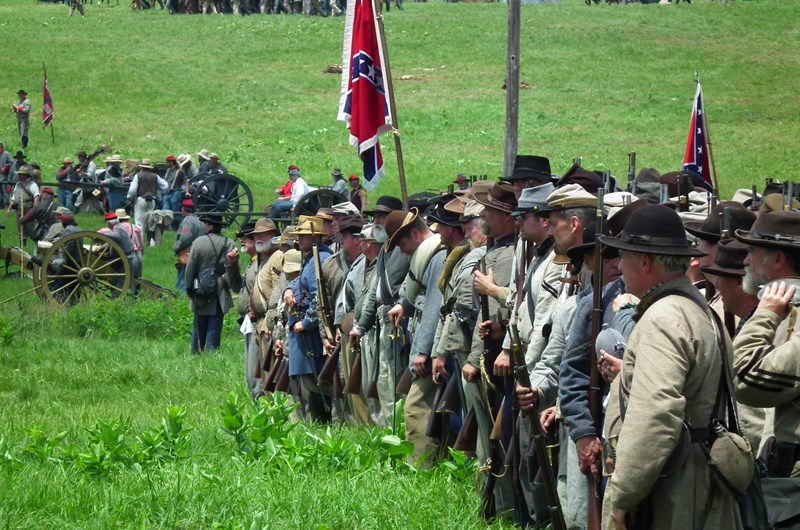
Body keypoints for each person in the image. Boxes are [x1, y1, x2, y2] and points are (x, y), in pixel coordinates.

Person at [599, 204, 742, 530]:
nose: (619, 267)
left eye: (624, 257)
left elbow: (655, 415)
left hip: (674, 495)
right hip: (696, 482)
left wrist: (622, 497)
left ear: (645, 261)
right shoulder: (701, 311)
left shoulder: (664, 318)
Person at [733, 210, 800, 488]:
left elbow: (742, 377)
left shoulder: (784, 310)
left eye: (752, 250)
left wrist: (766, 315)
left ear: (779, 258)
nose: (746, 260)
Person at [384, 208, 447, 464]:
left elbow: (434, 304)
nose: (402, 251)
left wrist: (423, 350)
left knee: (416, 410)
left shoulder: (437, 257)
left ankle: (421, 468)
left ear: (414, 233)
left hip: (428, 348)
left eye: (403, 243)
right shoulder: (428, 257)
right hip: (426, 344)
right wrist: (404, 305)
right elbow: (417, 294)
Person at [283, 217, 332, 422]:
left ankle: (317, 424)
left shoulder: (318, 258)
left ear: (315, 236)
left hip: (309, 332)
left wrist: (307, 322)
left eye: (303, 235)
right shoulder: (310, 258)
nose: (299, 239)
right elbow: (299, 284)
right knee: (303, 382)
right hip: (301, 328)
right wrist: (288, 289)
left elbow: (319, 296)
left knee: (311, 384)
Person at [185, 215, 242, 355]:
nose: (204, 226)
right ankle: (211, 356)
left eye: (205, 224)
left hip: (199, 289)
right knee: (214, 327)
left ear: (210, 225)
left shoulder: (198, 242)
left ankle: (195, 354)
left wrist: (189, 289)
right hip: (219, 290)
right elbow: (234, 270)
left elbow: (190, 268)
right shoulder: (229, 243)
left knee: (198, 326)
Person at [126, 159, 168, 235]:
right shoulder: (155, 176)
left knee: (139, 222)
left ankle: (140, 241)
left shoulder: (138, 176)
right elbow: (165, 186)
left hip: (141, 200)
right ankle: (151, 242)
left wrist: (129, 197)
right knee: (151, 221)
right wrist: (157, 188)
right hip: (152, 200)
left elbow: (132, 190)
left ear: (142, 167)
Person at [174, 199, 204, 295]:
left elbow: (186, 237)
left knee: (182, 281)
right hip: (198, 254)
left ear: (183, 209)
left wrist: (177, 246)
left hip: (187, 255)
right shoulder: (200, 221)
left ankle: (180, 301)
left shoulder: (188, 220)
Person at [6, 166, 40, 243]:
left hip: (28, 209)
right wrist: (9, 208)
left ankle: (37, 243)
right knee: (21, 230)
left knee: (31, 228)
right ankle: (22, 245)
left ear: (26, 175)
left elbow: (36, 196)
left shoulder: (32, 184)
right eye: (19, 174)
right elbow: (14, 197)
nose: (20, 176)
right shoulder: (18, 184)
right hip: (19, 209)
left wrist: (34, 209)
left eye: (21, 174)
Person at [115, 208, 144, 292]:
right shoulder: (134, 227)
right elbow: (141, 244)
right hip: (138, 255)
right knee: (138, 279)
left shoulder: (119, 228)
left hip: (130, 255)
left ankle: (130, 301)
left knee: (129, 281)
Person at [162, 155, 189, 228]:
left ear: (171, 162)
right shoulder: (168, 170)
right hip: (167, 193)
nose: (166, 163)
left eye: (167, 162)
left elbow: (186, 181)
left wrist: (187, 191)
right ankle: (166, 226)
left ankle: (175, 226)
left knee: (175, 210)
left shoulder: (180, 171)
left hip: (175, 192)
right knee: (165, 209)